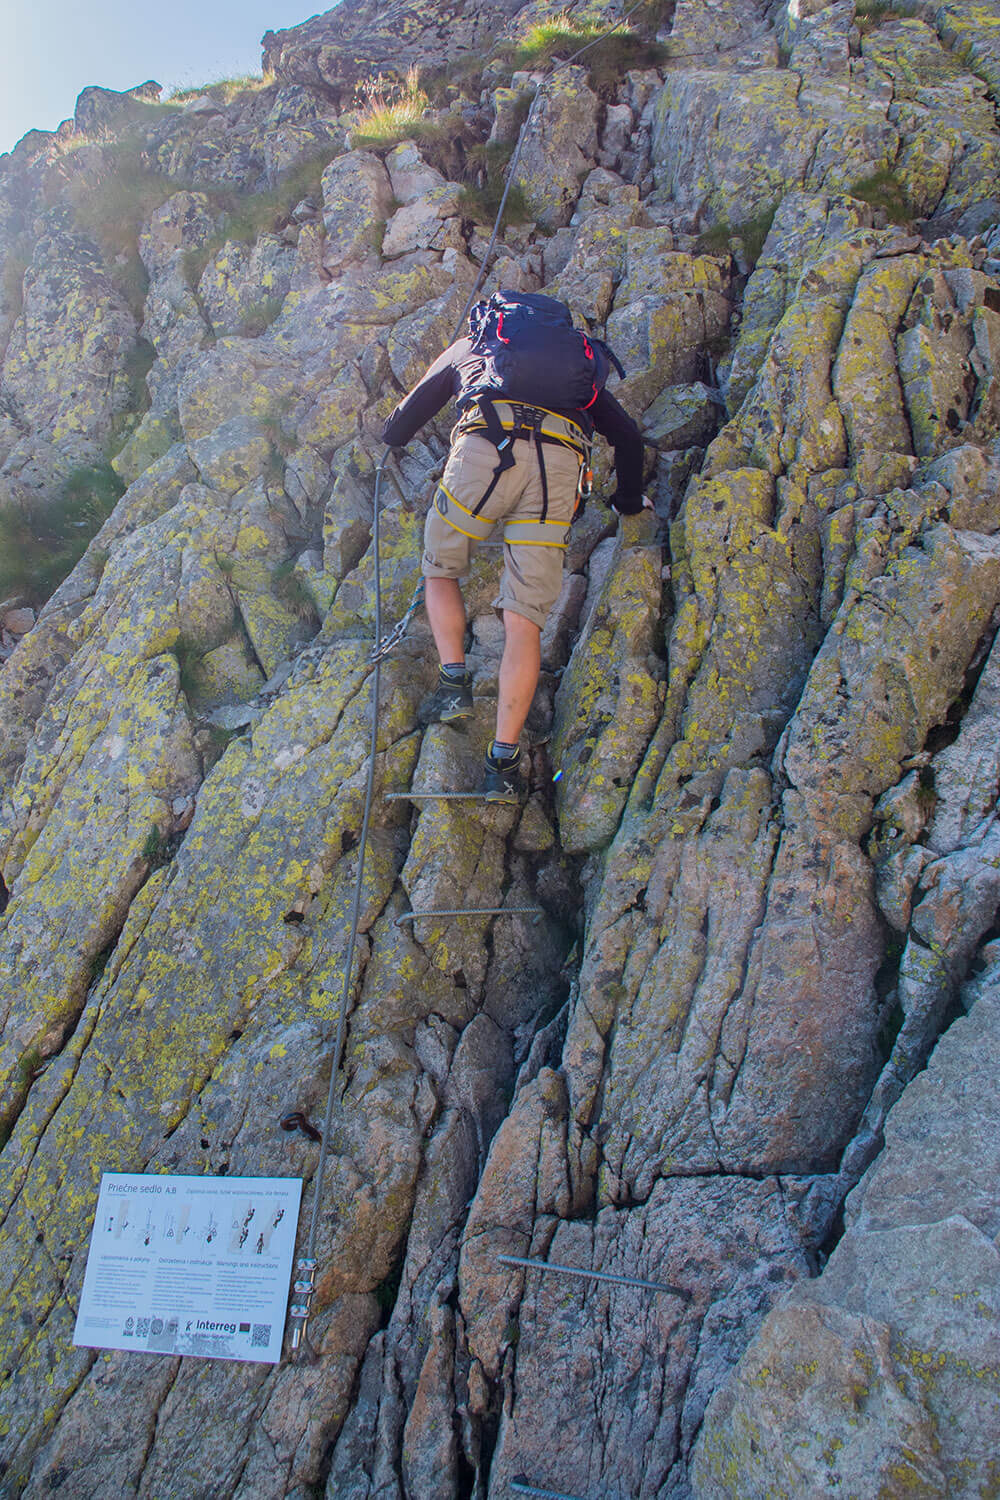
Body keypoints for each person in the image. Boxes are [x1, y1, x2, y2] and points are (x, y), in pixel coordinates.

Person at [382, 292, 647, 803]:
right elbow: (629, 439)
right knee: (524, 620)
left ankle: (454, 685)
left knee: (441, 568)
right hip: (558, 470)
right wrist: (629, 501)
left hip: (487, 447)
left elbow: (402, 424)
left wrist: (392, 434)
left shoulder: (474, 348)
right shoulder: (576, 374)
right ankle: (501, 764)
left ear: (496, 321)